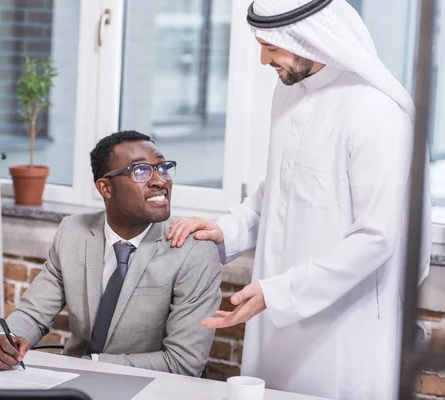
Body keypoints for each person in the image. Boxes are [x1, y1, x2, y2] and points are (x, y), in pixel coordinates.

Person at [167, 0, 432, 398]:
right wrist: (226, 229)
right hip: (275, 317)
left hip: (344, 331)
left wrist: (278, 293)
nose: (262, 60)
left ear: (310, 39)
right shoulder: (288, 92)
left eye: (271, 48)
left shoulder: (375, 112)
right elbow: (280, 189)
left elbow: (377, 237)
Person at [0, 131, 222, 377]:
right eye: (141, 171)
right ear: (106, 188)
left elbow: (183, 362)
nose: (160, 181)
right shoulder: (73, 232)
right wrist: (5, 338)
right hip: (75, 385)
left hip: (150, 389)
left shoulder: (193, 250)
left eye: (162, 167)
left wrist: (90, 363)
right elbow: (34, 312)